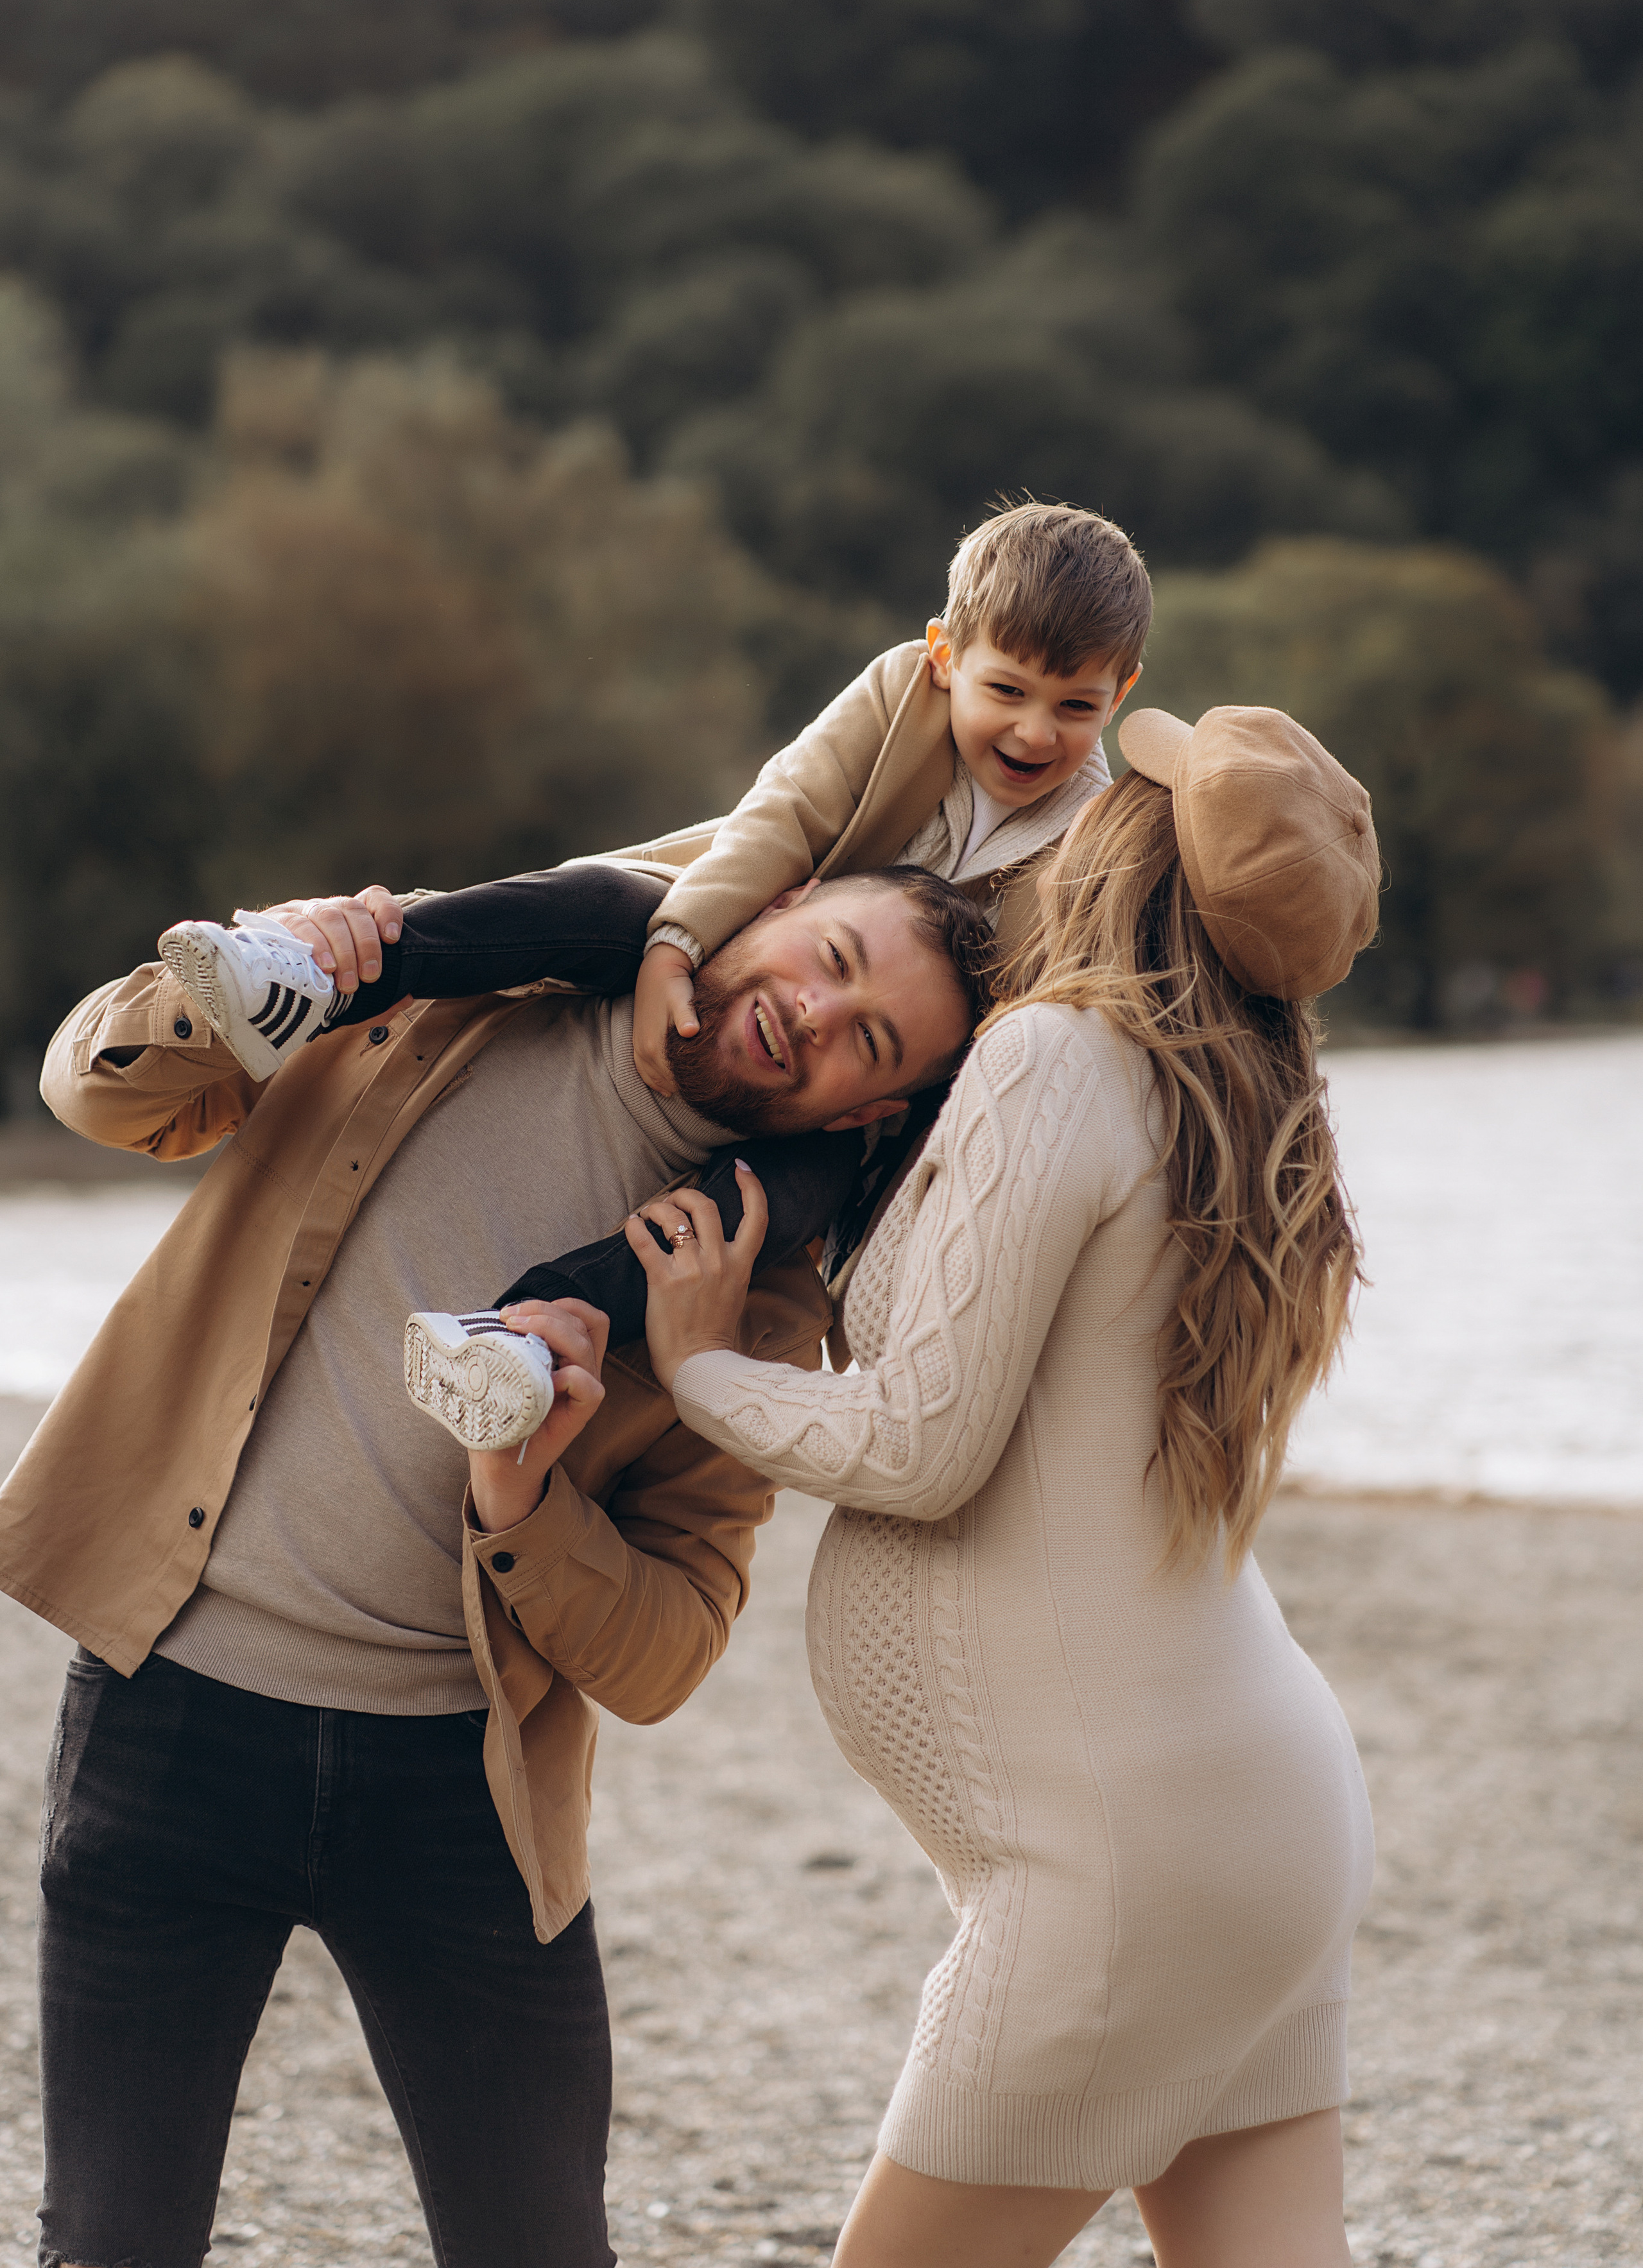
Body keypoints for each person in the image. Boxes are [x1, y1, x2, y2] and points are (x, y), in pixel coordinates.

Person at [1, 864, 990, 2268]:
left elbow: (668, 1651)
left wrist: (528, 1498)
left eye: (866, 1040)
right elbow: (97, 1090)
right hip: (170, 1722)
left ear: (869, 1113)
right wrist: (285, 956)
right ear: (769, 904)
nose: (809, 1014)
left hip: (461, 1795)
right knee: (107, 2245)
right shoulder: (445, 995)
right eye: (823, 957)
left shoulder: (755, 1303)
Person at [622, 705, 1382, 2268]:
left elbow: (922, 1443)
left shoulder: (1055, 1057)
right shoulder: (1224, 1097)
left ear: (1134, 845)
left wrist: (704, 1367)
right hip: (1264, 1818)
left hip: (1125, 1864)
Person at [156, 499, 1148, 1448]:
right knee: (587, 907)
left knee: (759, 1209)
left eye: (1075, 708)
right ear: (945, 655)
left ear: (1123, 693)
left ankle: (527, 1336)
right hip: (742, 918)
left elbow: (1041, 1023)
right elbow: (784, 813)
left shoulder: (1094, 843)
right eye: (1006, 692)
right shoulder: (899, 697)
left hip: (858, 1084)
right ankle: (325, 976)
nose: (1032, 734)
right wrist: (679, 940)